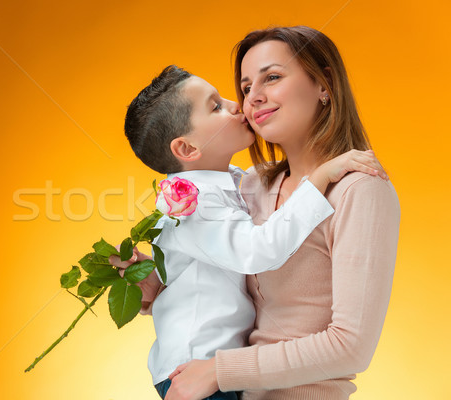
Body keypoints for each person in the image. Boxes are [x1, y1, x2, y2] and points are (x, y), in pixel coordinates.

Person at [115, 64, 388, 400]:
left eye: (271, 78)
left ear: (324, 86)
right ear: (187, 150)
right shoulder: (193, 201)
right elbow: (257, 250)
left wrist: (156, 282)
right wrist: (317, 181)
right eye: (216, 106)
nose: (239, 104)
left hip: (224, 372)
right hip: (194, 367)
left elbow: (198, 266)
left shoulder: (242, 182)